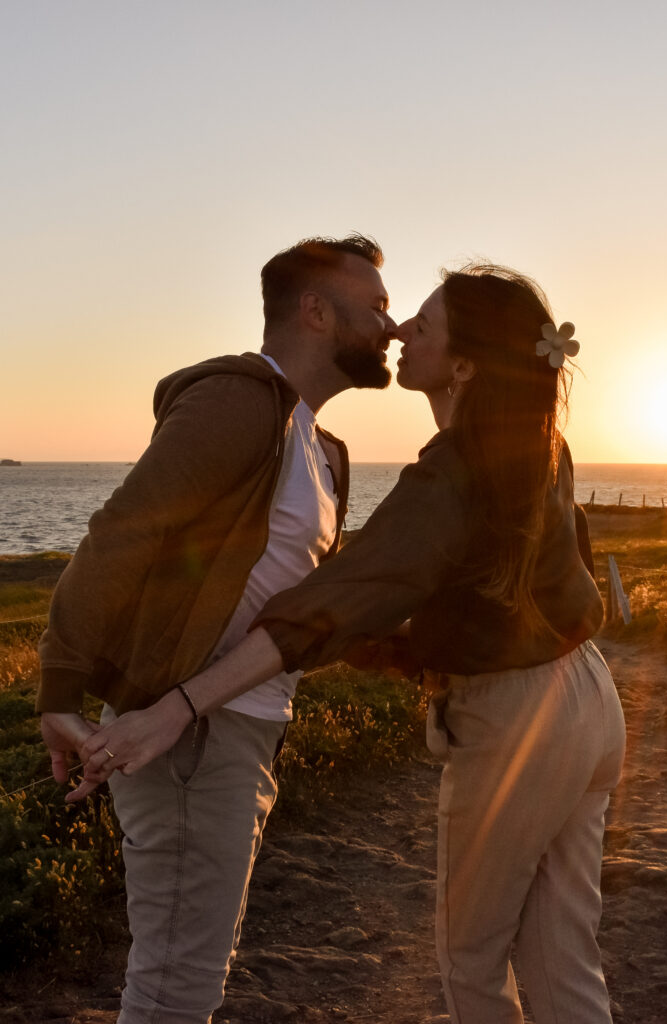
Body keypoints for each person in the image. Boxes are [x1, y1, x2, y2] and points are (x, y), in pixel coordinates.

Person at [74, 263, 626, 1024]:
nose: (399, 330)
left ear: (462, 364)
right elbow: (510, 594)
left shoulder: (451, 476)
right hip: (591, 704)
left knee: (472, 959)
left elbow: (332, 603)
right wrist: (401, 646)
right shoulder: (540, 447)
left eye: (421, 326)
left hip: (517, 723)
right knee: (563, 957)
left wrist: (180, 705)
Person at [37, 232, 398, 1024]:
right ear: (313, 311)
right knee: (175, 985)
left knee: (191, 968)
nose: (392, 325)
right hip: (183, 739)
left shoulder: (324, 449)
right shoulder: (240, 400)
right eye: (373, 306)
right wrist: (59, 686)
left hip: (237, 730)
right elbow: (122, 531)